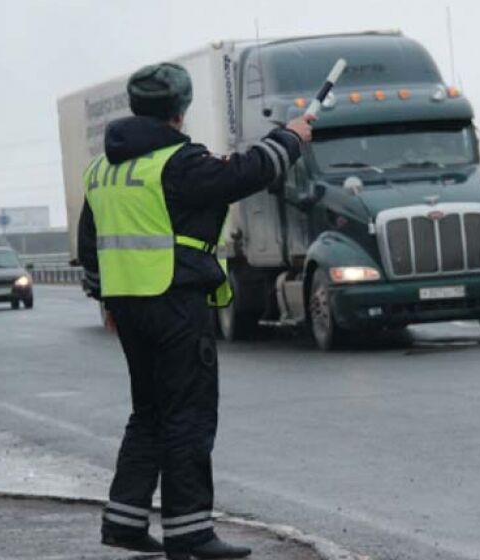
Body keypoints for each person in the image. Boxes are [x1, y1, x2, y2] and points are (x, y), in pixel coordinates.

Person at [77, 62, 313, 559]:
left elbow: (90, 240)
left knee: (149, 413)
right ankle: (190, 533)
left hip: (129, 305)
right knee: (188, 415)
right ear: (180, 112)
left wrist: (105, 298)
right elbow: (248, 173)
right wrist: (291, 137)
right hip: (175, 301)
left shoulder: (102, 169)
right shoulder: (176, 163)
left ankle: (123, 522)